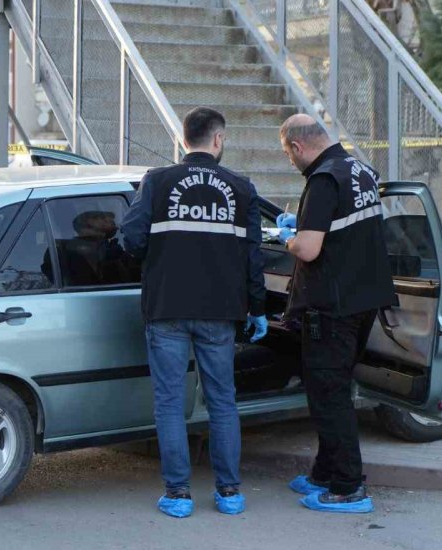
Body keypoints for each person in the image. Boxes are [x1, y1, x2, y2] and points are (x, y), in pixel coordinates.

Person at [121, 107, 267, 518]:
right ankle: (229, 492)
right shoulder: (241, 188)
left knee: (169, 402)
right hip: (220, 312)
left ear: (184, 140)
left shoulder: (157, 181)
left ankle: (178, 494)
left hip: (166, 307)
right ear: (217, 140)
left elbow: (130, 241)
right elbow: (252, 258)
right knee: (222, 401)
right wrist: (257, 307)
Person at [275, 114, 396, 514]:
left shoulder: (324, 179)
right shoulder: (360, 170)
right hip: (365, 300)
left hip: (333, 306)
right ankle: (323, 473)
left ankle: (348, 488)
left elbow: (309, 249)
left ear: (297, 146)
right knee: (334, 388)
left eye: (288, 155)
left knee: (329, 396)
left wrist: (288, 238)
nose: (292, 162)